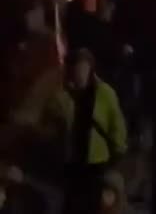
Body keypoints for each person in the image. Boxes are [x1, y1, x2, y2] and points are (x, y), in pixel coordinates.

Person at [46, 49, 127, 214]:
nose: (80, 73)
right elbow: (52, 125)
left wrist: (118, 152)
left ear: (90, 68)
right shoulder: (63, 96)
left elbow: (117, 125)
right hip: (72, 163)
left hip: (96, 163)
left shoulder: (105, 93)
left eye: (83, 67)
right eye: (76, 68)